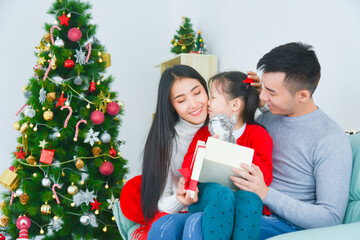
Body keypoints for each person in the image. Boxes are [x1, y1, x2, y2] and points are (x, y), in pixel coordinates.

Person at [114, 65, 261, 240]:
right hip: (189, 208)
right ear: (172, 106)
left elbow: (256, 128)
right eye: (181, 100)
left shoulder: (227, 122)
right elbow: (163, 204)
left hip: (231, 202)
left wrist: (261, 102)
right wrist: (181, 198)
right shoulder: (167, 142)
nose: (193, 104)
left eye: (197, 92)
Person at [230, 42, 353, 239]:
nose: (263, 95)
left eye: (271, 91)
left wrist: (265, 193)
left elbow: (330, 217)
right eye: (263, 88)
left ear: (302, 95)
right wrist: (257, 101)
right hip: (249, 207)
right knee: (172, 223)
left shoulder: (330, 139)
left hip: (286, 225)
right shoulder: (268, 117)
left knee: (203, 226)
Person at [148, 71, 273, 240]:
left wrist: (232, 145)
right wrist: (210, 148)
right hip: (208, 194)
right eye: (181, 99)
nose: (208, 103)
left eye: (212, 97)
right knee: (222, 193)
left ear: (235, 105)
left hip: (242, 192)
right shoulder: (204, 132)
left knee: (251, 200)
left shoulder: (258, 134)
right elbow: (188, 166)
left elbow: (265, 176)